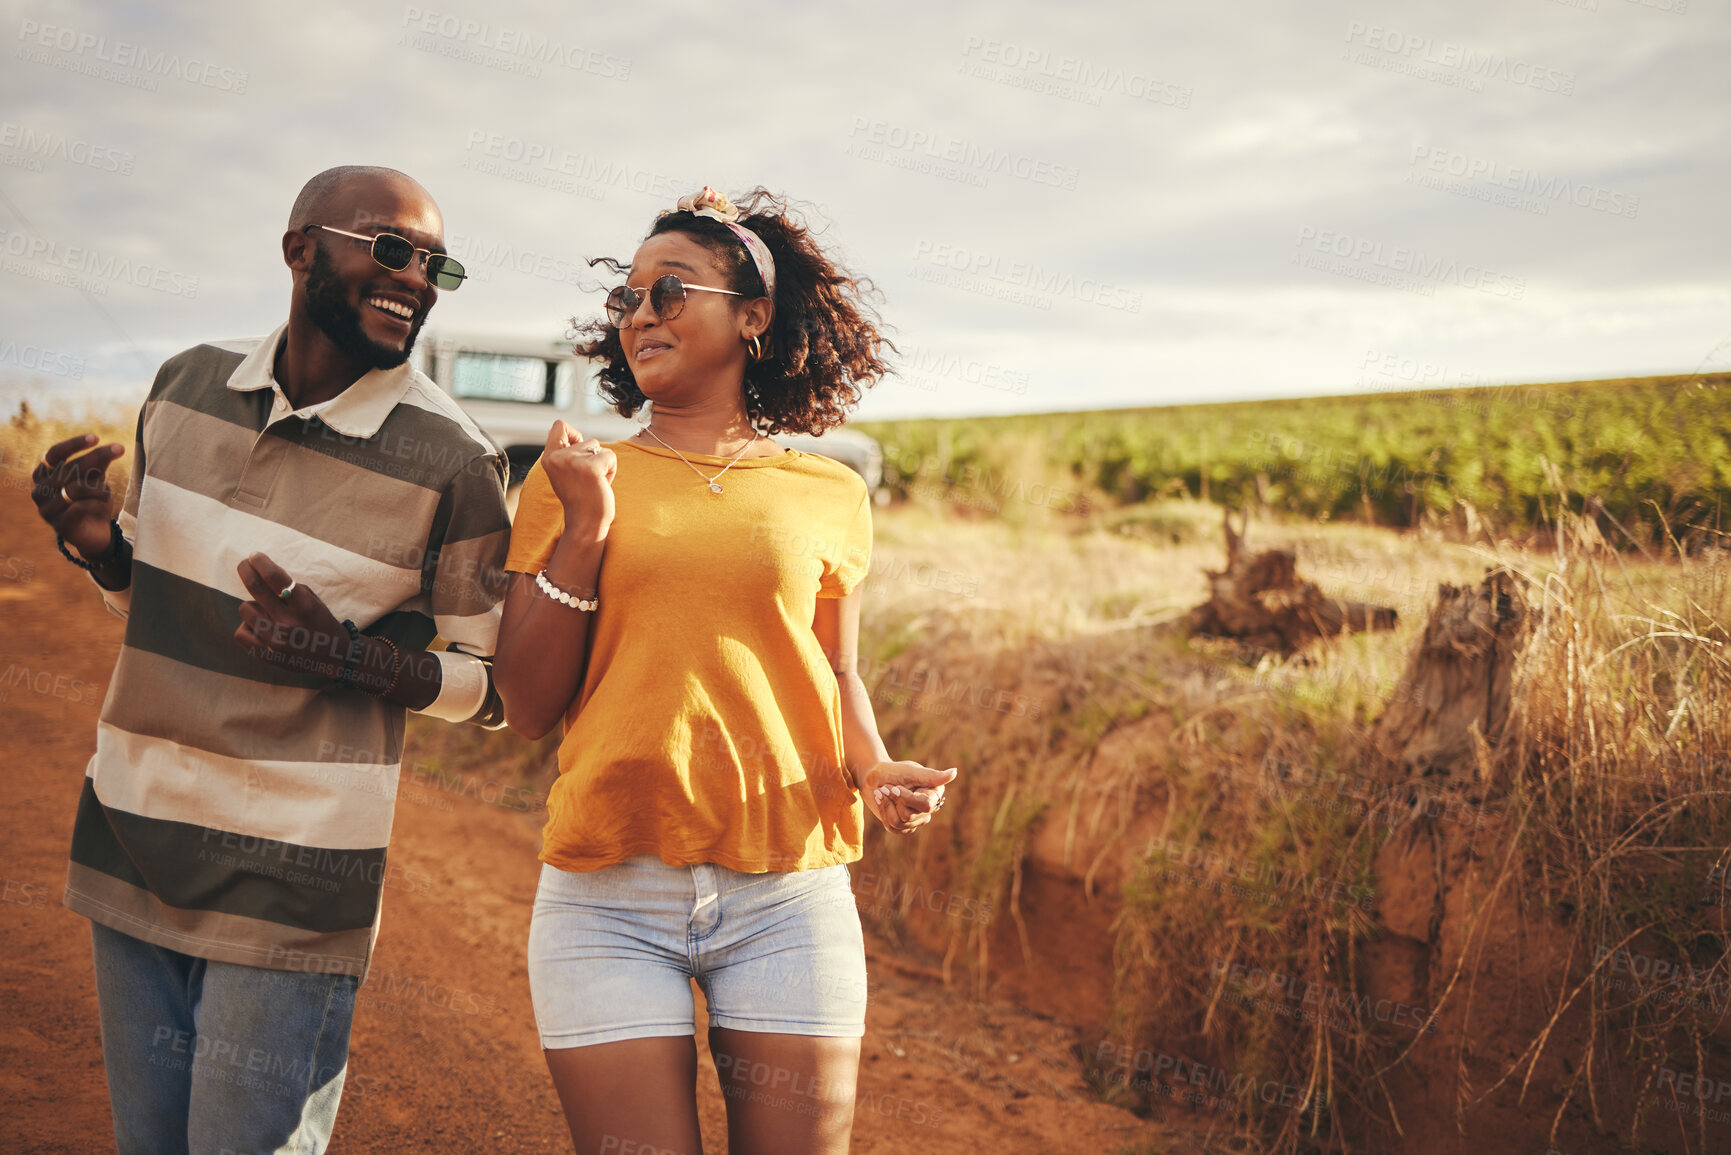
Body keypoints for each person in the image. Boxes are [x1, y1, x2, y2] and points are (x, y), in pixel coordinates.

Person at [28, 165, 510, 1154]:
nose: (415, 277)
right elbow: (149, 595)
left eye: (435, 264)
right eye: (390, 249)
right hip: (133, 831)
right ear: (301, 251)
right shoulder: (185, 386)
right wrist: (100, 549)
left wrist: (352, 660)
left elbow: (489, 687)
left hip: (295, 876)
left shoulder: (455, 460)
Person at [494, 186, 959, 1155]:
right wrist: (585, 531)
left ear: (752, 317)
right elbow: (527, 704)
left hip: (790, 894)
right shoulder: (576, 475)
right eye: (628, 299)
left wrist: (871, 770)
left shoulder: (828, 492)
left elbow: (836, 671)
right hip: (608, 895)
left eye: (671, 291)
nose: (641, 315)